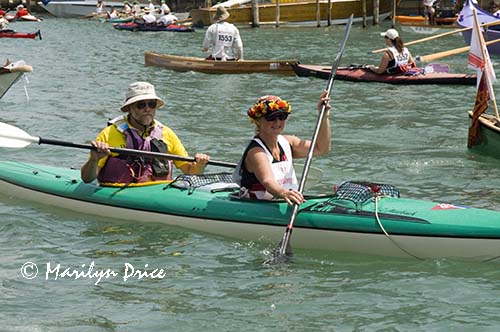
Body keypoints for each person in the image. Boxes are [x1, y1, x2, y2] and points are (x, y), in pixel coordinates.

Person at [81, 81, 210, 184]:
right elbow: (87, 179)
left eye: (152, 104)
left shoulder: (167, 133)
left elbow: (189, 170)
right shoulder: (109, 134)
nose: (147, 109)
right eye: (141, 105)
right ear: (129, 108)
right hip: (118, 192)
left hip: (158, 193)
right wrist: (93, 159)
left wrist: (200, 164)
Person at [232, 92, 331, 205]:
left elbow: (321, 148)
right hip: (259, 206)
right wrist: (285, 193)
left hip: (286, 201)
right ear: (258, 121)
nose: (277, 122)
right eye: (271, 117)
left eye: (282, 117)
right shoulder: (256, 152)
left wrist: (324, 116)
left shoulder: (288, 142)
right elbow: (268, 181)